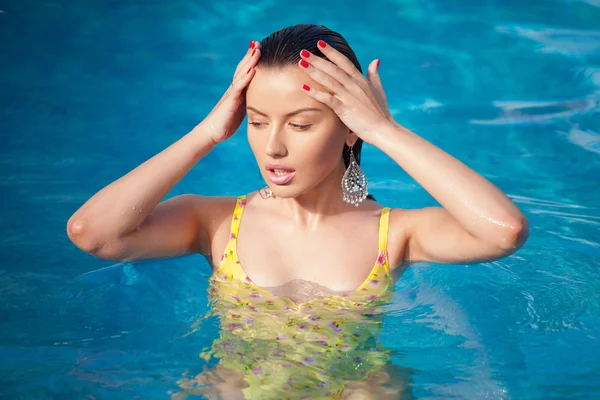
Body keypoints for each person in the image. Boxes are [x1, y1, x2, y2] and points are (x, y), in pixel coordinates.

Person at [67, 24, 528, 399]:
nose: (273, 147)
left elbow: (503, 231)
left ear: (350, 127)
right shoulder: (215, 223)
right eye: (257, 121)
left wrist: (384, 131)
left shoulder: (395, 233)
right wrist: (206, 133)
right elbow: (93, 234)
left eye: (301, 124)